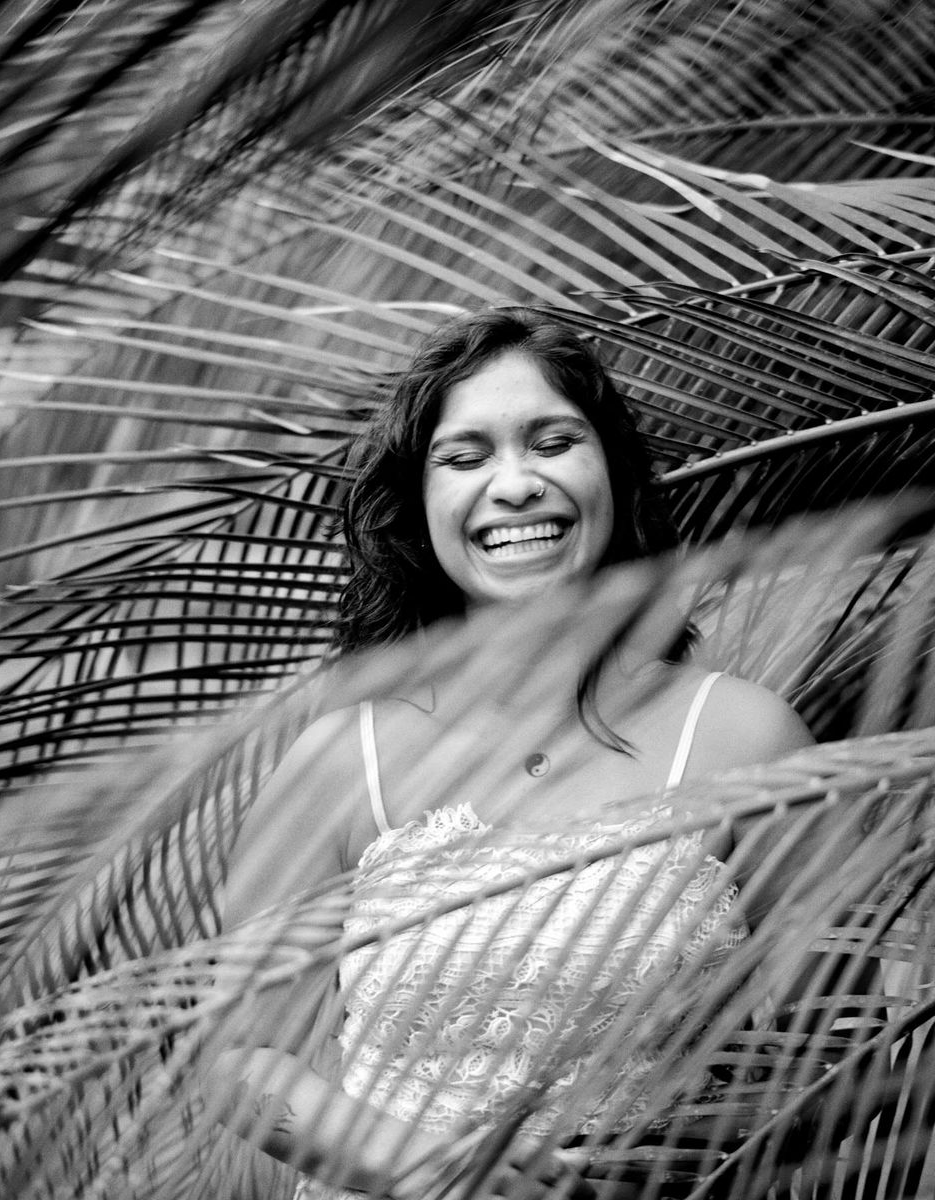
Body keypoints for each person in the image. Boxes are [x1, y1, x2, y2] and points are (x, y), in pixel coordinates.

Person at [218, 307, 814, 1198]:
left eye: (553, 442)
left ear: (612, 473)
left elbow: (838, 1058)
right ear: (420, 511)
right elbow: (239, 1055)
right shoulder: (344, 761)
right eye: (465, 458)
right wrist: (439, 1171)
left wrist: (654, 1162)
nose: (517, 484)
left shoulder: (748, 740)